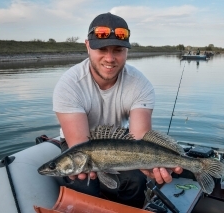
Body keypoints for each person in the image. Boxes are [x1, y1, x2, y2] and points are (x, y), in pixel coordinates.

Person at [53, 12, 182, 208]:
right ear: (88, 46)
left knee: (138, 180)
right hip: (79, 147)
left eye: (118, 50)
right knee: (84, 182)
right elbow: (82, 149)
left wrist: (147, 167)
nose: (110, 58)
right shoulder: (69, 85)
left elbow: (139, 140)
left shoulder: (140, 84)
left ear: (127, 51)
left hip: (122, 143)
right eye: (102, 49)